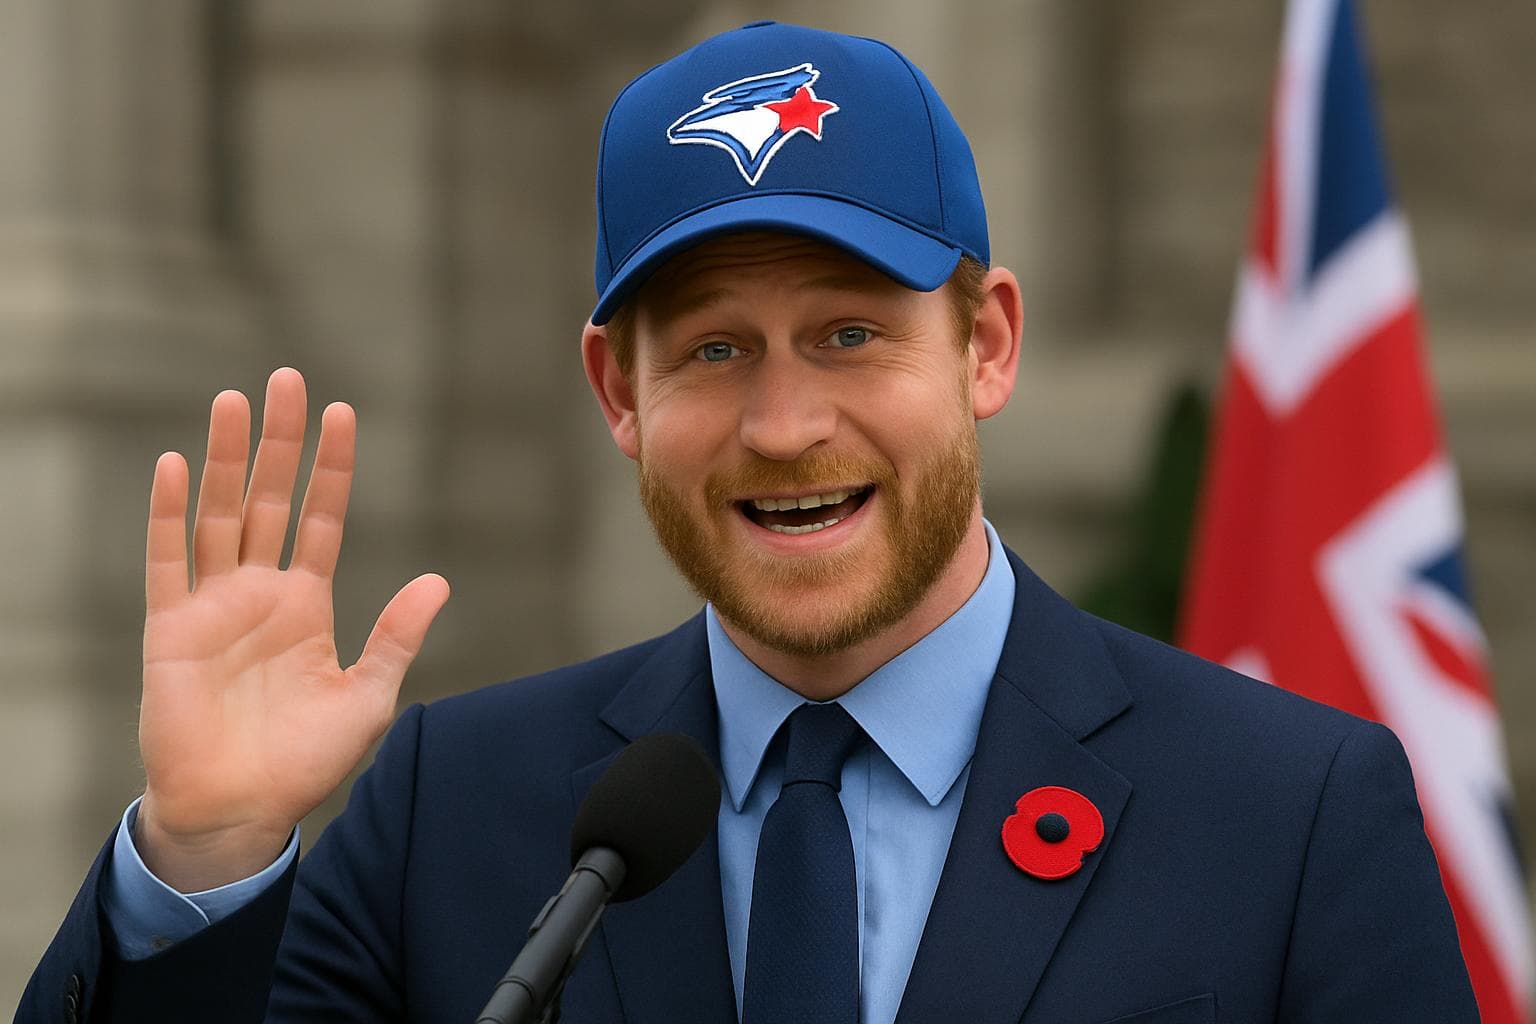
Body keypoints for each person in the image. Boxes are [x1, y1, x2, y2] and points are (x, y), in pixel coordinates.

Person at [20, 21, 1476, 1024]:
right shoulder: (450, 813)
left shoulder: (1290, 814)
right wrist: (202, 857)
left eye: (849, 335)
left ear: (988, 346)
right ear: (618, 390)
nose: (785, 426)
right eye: (715, 350)